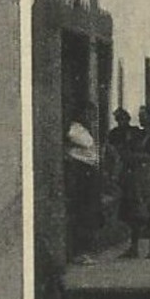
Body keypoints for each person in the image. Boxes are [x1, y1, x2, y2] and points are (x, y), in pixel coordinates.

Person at [121, 105, 150, 259]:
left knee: (149, 209)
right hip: (134, 175)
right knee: (134, 209)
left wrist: (134, 156)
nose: (140, 118)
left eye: (143, 115)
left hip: (146, 175)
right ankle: (134, 248)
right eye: (139, 115)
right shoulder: (136, 134)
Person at [64, 100, 102, 264]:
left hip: (89, 172)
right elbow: (83, 144)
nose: (92, 117)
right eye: (89, 114)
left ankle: (86, 250)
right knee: (83, 211)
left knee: (90, 212)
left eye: (93, 114)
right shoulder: (75, 129)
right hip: (82, 172)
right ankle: (80, 252)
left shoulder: (85, 130)